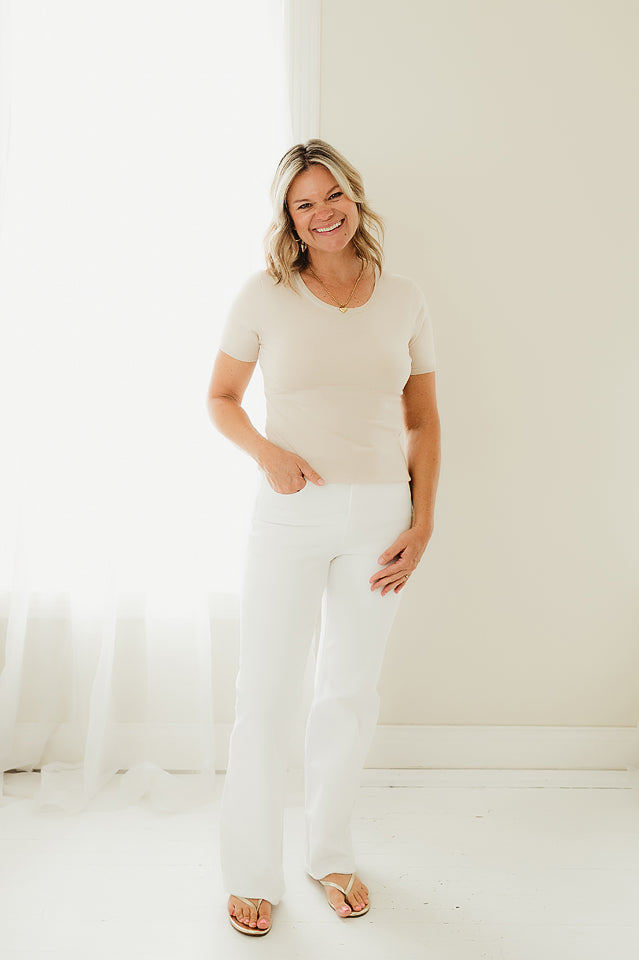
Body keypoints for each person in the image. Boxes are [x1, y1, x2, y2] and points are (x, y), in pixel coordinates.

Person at [206, 139, 441, 936]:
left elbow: (421, 417)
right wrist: (267, 454)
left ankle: (328, 852)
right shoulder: (263, 295)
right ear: (289, 217)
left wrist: (421, 521)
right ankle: (250, 869)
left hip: (379, 516)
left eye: (331, 194)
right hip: (291, 513)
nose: (322, 212)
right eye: (303, 203)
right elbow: (221, 397)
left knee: (348, 691)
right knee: (266, 693)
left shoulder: (403, 297)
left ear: (353, 196)